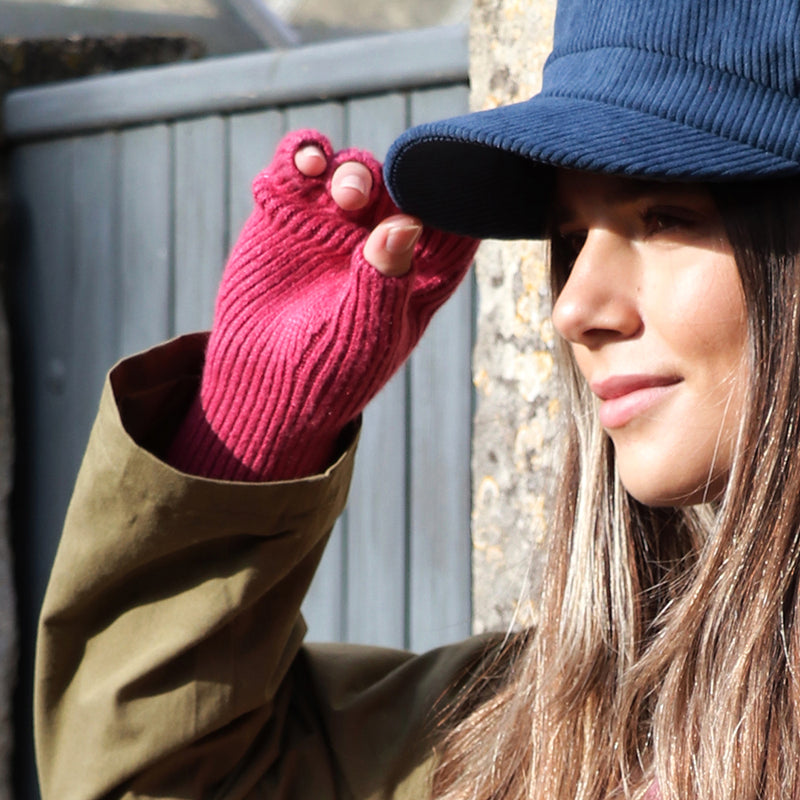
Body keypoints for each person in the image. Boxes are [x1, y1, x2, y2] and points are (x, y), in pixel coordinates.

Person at [33, 0, 800, 798]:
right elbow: (155, 779)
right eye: (570, 240)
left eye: (666, 215)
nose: (574, 307)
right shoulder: (553, 734)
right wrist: (250, 427)